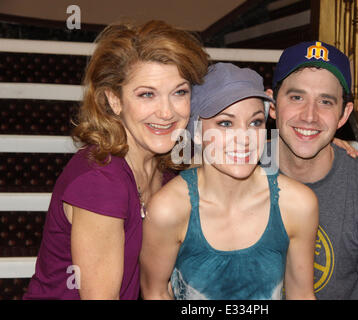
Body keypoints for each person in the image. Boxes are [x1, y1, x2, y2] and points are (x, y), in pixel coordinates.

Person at [23, 20, 209, 300]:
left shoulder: (165, 166)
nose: (167, 112)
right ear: (114, 100)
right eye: (147, 94)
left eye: (179, 92)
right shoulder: (101, 180)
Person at [140, 63, 318, 300]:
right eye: (225, 123)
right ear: (197, 130)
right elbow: (156, 293)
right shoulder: (169, 209)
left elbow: (302, 295)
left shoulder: (297, 204)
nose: (244, 139)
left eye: (255, 122)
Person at [266, 41, 358, 299]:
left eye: (325, 101)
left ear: (344, 114)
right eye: (296, 97)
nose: (310, 116)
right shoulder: (235, 169)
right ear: (271, 104)